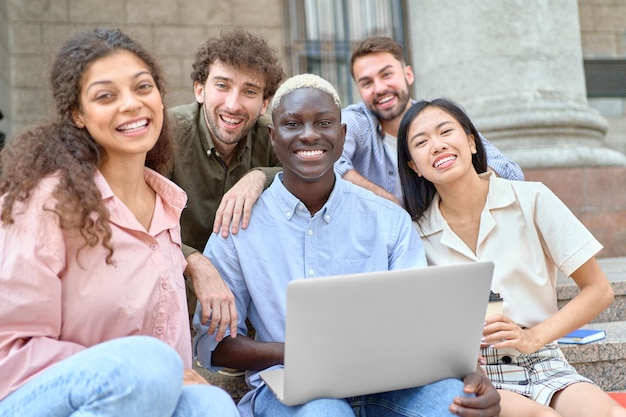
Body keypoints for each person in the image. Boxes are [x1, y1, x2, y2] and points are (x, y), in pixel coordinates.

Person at [193, 74, 501, 417]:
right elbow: (215, 345)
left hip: (393, 384)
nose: (309, 134)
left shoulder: (389, 219)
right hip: (293, 387)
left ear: (341, 136)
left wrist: (469, 373)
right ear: (273, 136)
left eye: (323, 123)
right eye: (293, 124)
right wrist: (297, 352)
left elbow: (418, 327)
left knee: (453, 405)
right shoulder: (237, 226)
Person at [0, 27, 238, 416]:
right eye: (106, 95)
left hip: (139, 393)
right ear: (77, 114)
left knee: (211, 404)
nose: (131, 104)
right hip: (32, 396)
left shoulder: (165, 207)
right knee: (149, 365)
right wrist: (146, 369)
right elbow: (9, 351)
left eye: (143, 87)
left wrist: (166, 374)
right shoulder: (44, 204)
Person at [396, 97, 625, 417]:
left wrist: (533, 337)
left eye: (446, 131)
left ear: (472, 143)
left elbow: (599, 290)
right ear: (414, 167)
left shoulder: (532, 199)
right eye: (421, 142)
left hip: (544, 359)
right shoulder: (414, 235)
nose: (437, 145)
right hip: (477, 376)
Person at [167, 28, 284, 337]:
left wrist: (261, 176)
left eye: (249, 91)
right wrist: (195, 262)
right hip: (172, 303)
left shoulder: (273, 137)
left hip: (249, 314)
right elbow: (137, 226)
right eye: (222, 86)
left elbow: (318, 175)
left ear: (264, 103)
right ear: (199, 90)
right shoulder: (166, 135)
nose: (233, 104)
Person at [335, 36, 524, 206]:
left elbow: (511, 173)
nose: (379, 88)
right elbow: (331, 163)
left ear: (408, 75)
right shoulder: (356, 122)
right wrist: (390, 204)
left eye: (387, 75)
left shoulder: (440, 118)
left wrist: (459, 179)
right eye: (367, 83)